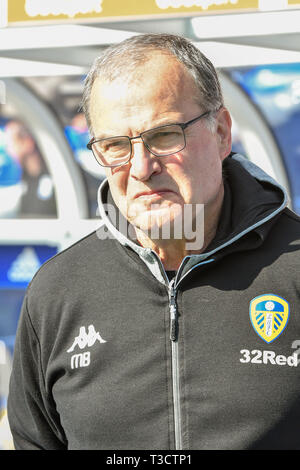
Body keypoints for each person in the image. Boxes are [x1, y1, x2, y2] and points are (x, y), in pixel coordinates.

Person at [7, 33, 300, 450]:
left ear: (221, 132)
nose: (142, 168)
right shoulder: (59, 289)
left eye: (164, 136)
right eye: (115, 146)